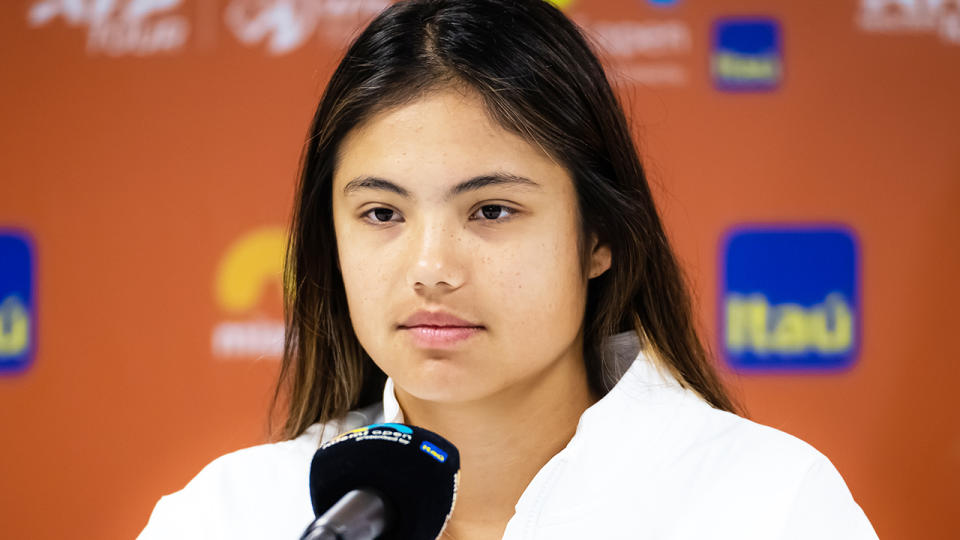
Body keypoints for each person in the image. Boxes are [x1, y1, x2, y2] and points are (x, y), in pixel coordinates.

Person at [138, 1, 879, 538]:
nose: (430, 268)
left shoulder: (767, 505)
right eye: (382, 214)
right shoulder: (233, 514)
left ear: (599, 236)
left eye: (490, 211)